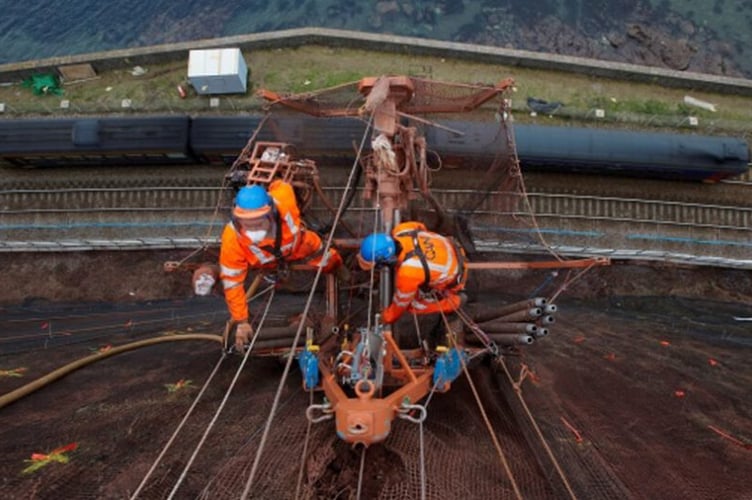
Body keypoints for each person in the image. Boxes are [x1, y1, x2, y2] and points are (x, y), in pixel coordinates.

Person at [220, 180, 343, 352]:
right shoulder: (232, 239)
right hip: (266, 264)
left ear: (272, 213)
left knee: (329, 259)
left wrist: (274, 179)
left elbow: (281, 184)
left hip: (301, 247)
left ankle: (340, 270)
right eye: (247, 223)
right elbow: (232, 283)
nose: (254, 228)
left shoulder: (284, 201)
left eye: (259, 222)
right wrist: (242, 321)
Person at [357, 221, 467, 324]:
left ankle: (453, 303)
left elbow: (400, 304)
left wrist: (385, 317)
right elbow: (421, 226)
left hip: (457, 272)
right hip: (452, 246)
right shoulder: (401, 230)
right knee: (419, 277)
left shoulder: (408, 272)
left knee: (413, 305)